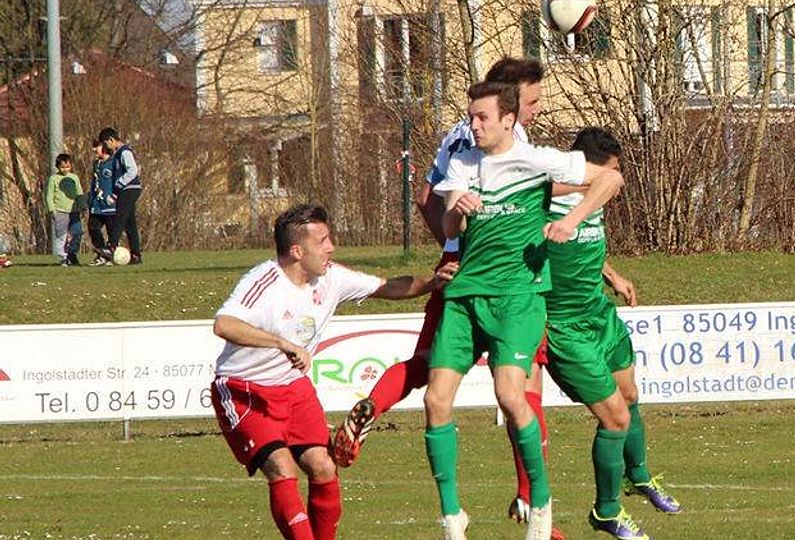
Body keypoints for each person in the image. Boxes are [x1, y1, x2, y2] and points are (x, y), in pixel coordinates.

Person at [334, 57, 561, 535]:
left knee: (431, 366)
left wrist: (451, 242)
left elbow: (426, 197)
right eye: (533, 100)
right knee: (523, 386)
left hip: (458, 271)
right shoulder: (501, 140)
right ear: (510, 102)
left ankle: (373, 405)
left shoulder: (457, 135)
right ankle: (532, 500)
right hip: (503, 279)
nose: (538, 110)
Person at [424, 81, 625, 540]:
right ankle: (453, 517)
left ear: (508, 120)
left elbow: (610, 178)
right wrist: (459, 209)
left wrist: (571, 221)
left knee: (510, 396)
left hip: (518, 297)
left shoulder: (537, 161)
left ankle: (540, 502)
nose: (473, 125)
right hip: (465, 293)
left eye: (482, 118)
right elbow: (449, 225)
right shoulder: (462, 160)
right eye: (471, 116)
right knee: (435, 400)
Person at [210, 204, 457, 540]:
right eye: (323, 241)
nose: (331, 247)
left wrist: (432, 283)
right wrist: (281, 344)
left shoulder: (332, 277)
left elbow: (389, 287)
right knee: (282, 468)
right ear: (297, 251)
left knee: (324, 466)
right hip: (244, 390)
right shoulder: (263, 282)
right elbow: (224, 324)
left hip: (293, 389)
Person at [544, 128, 681, 540]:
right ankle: (606, 511)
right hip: (564, 327)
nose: (616, 178)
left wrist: (612, 276)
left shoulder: (593, 200)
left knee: (631, 396)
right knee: (614, 418)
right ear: (591, 166)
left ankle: (638, 477)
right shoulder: (543, 199)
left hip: (600, 316)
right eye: (614, 169)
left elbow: (588, 245)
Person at [98, 127, 142, 264]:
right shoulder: (117, 154)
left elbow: (133, 171)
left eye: (106, 144)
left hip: (130, 188)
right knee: (130, 224)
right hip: (125, 189)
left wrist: (118, 185)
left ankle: (111, 246)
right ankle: (136, 255)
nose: (106, 147)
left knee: (120, 216)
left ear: (111, 140)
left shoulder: (125, 152)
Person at [44, 153, 85, 266]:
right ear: (57, 166)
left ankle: (72, 254)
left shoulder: (74, 177)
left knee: (77, 232)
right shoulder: (54, 179)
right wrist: (52, 210)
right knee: (61, 235)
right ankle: (63, 257)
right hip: (60, 211)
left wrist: (81, 206)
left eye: (68, 166)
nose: (65, 169)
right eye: (62, 167)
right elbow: (49, 195)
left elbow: (79, 192)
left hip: (74, 211)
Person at [87, 140, 116, 266]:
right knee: (93, 227)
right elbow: (95, 183)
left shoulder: (114, 163)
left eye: (96, 147)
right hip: (97, 205)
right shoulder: (96, 164)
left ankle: (111, 255)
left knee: (112, 232)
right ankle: (101, 253)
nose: (94, 150)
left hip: (110, 205)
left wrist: (115, 196)